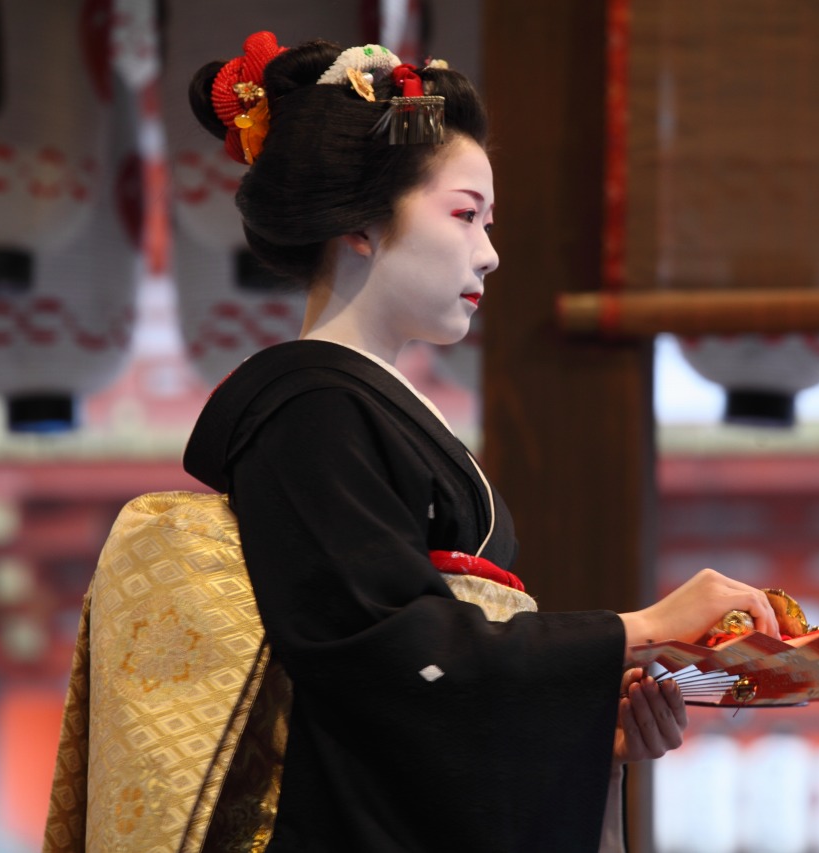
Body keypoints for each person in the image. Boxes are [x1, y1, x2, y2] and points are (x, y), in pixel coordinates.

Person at [49, 31, 781, 853]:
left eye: (489, 221)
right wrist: (637, 627)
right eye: (465, 215)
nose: (490, 252)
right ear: (359, 222)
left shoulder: (352, 405)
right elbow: (388, 655)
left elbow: (433, 678)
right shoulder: (308, 408)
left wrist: (583, 732)